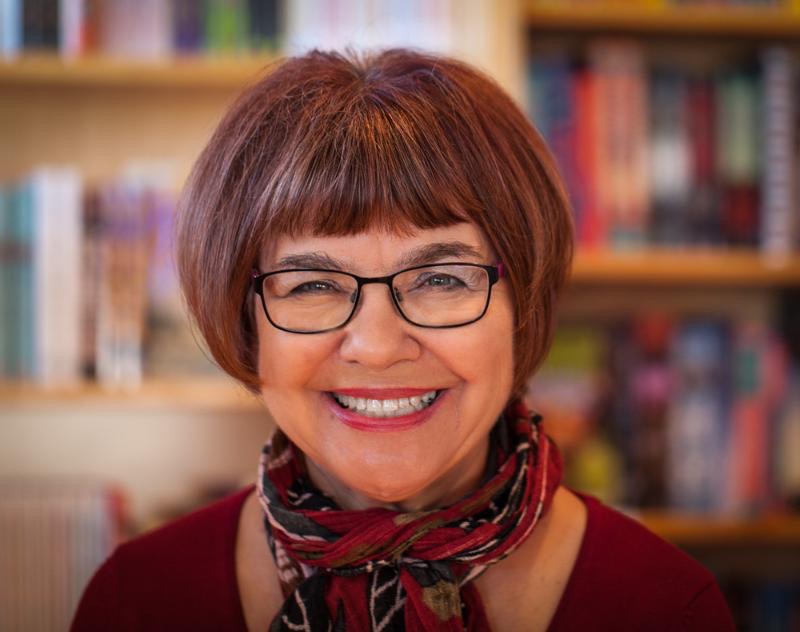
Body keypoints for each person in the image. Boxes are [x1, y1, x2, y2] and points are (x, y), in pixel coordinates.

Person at [71, 48, 735, 631]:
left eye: (441, 278)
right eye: (312, 285)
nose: (378, 345)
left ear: (522, 303)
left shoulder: (668, 608)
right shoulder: (136, 602)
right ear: (246, 322)